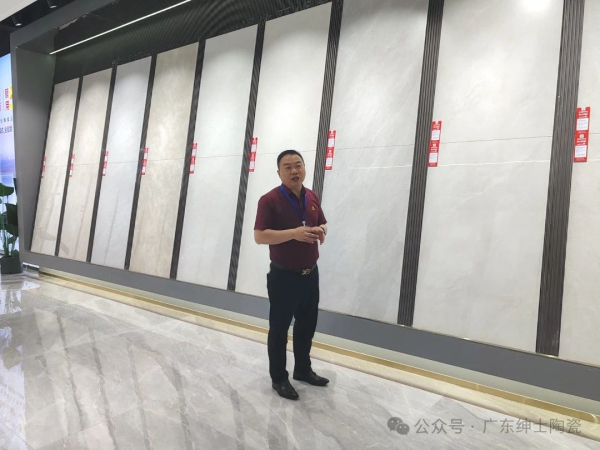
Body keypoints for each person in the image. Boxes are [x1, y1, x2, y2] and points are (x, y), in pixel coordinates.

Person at [254, 149, 329, 400]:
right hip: (284, 277)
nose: (294, 170)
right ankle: (279, 378)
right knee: (279, 330)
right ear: (279, 173)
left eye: (298, 165)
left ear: (305, 168)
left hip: (311, 274)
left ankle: (303, 370)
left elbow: (323, 222)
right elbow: (259, 236)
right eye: (287, 167)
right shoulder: (269, 200)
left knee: (307, 326)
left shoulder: (311, 196)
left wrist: (321, 230)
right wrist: (293, 233)